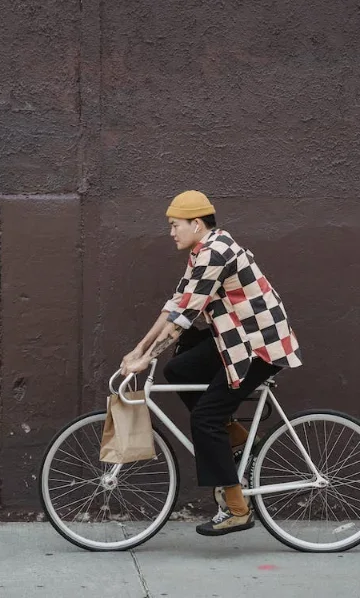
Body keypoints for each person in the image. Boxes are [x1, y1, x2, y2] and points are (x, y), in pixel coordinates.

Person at [120, 190, 303, 536]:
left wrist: (146, 359)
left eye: (175, 225)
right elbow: (176, 305)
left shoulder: (214, 253)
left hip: (260, 346)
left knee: (205, 419)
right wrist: (139, 349)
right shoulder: (201, 251)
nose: (171, 232)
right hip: (235, 338)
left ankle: (237, 509)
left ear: (197, 224)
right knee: (178, 370)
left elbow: (184, 319)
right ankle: (236, 442)